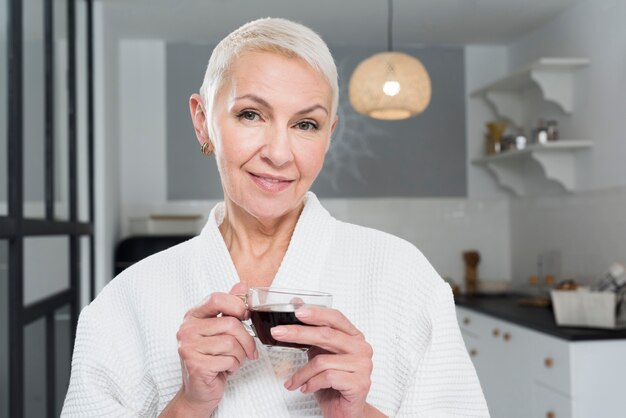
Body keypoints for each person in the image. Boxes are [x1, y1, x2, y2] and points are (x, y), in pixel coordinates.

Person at [62, 17, 489, 418]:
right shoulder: (129, 300)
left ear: (328, 136)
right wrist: (189, 404)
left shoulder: (403, 275)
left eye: (306, 124)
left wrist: (358, 411)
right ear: (202, 121)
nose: (279, 154)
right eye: (251, 114)